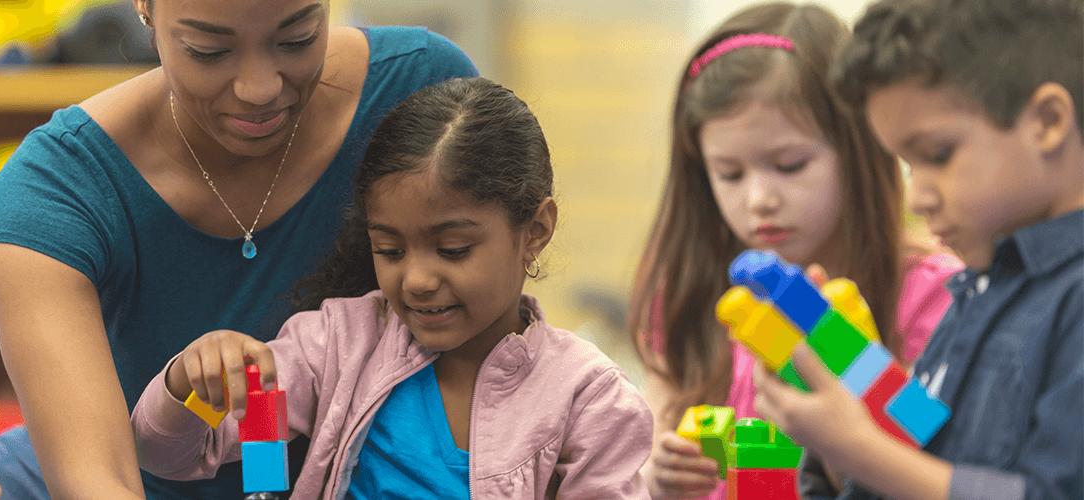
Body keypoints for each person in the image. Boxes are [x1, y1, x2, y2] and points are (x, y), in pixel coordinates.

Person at [0, 0, 480, 497]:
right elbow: (97, 480)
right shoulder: (54, 191)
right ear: (144, 8)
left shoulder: (425, 93)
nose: (259, 89)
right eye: (208, 50)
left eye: (296, 39)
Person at [131, 76, 652, 499]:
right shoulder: (337, 344)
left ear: (534, 231)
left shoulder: (589, 400)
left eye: (453, 250)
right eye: (391, 250)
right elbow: (170, 456)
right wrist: (188, 386)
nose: (418, 280)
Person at [627, 3, 963, 499]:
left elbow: (938, 459)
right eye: (730, 174)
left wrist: (846, 441)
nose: (759, 199)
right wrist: (657, 479)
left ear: (858, 149)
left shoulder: (930, 294)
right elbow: (651, 449)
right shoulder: (687, 298)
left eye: (789, 164)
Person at [753, 0, 1083, 499]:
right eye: (908, 166)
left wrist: (863, 450)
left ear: (1048, 121)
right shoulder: (980, 287)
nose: (919, 197)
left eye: (937, 155)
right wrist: (847, 377)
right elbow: (919, 442)